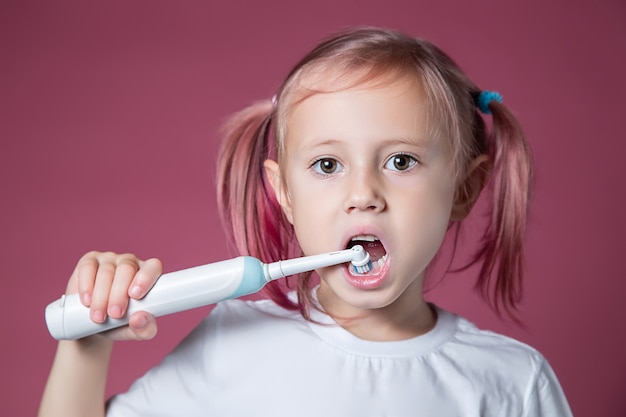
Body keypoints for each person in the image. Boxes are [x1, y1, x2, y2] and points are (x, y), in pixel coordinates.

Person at [39, 27, 573, 416]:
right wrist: (88, 343)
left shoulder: (512, 383)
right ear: (285, 195)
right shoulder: (234, 341)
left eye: (400, 162)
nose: (363, 195)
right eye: (327, 165)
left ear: (463, 190)